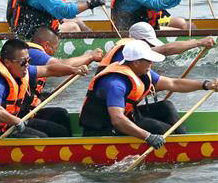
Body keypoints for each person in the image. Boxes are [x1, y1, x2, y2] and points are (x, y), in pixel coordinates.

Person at [79, 40, 218, 149]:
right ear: (136, 62)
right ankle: (177, 147)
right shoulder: (116, 83)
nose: (152, 63)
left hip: (127, 117)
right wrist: (148, 137)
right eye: (148, 60)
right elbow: (118, 120)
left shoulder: (141, 71)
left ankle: (184, 142)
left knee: (166, 106)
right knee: (161, 129)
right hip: (103, 129)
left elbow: (174, 84)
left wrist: (206, 85)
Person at [0, 39, 87, 138]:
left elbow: (50, 69)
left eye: (29, 61)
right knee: (40, 139)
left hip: (10, 123)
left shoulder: (22, 69)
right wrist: (16, 121)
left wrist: (74, 70)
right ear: (7, 63)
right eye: (23, 62)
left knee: (60, 121)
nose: (26, 65)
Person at [21, 27, 104, 135]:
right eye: (55, 48)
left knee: (61, 114)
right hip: (18, 118)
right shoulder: (32, 53)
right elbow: (59, 66)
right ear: (46, 45)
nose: (54, 52)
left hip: (29, 112)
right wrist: (90, 56)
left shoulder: (31, 53)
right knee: (59, 131)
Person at [99, 22, 216, 70]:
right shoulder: (129, 48)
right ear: (140, 40)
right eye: (149, 43)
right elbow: (166, 49)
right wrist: (199, 42)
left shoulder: (128, 47)